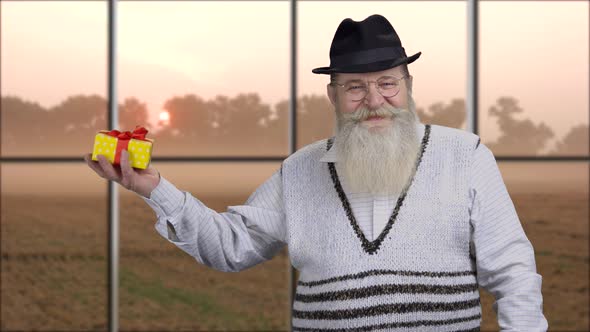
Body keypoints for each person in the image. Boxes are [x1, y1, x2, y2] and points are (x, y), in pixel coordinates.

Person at [84, 14, 548, 332]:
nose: (373, 99)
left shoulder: (464, 155)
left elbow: (513, 270)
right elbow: (230, 246)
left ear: (408, 86)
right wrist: (154, 189)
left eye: (388, 83)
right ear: (333, 96)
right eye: (355, 87)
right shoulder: (300, 170)